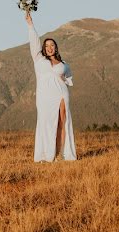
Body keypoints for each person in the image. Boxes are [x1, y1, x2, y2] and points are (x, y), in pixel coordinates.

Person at [26, 11, 76, 161]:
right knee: (46, 123)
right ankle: (46, 155)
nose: (49, 47)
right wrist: (30, 24)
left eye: (52, 45)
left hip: (61, 93)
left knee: (62, 121)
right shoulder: (38, 59)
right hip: (44, 97)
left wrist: (63, 79)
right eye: (47, 45)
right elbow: (34, 41)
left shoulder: (64, 64)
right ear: (44, 48)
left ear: (56, 47)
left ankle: (60, 155)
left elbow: (69, 79)